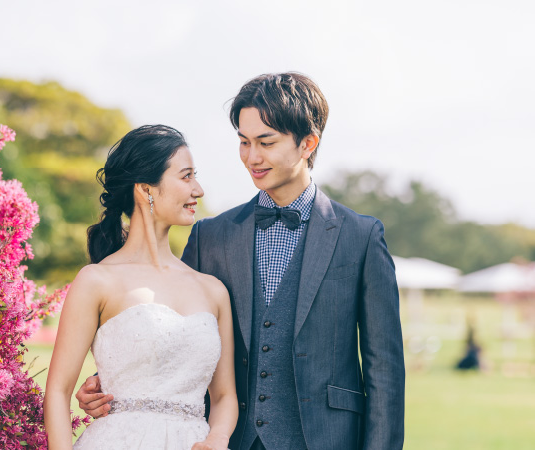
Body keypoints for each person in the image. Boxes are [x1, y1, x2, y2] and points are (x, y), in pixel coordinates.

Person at [76, 73, 406, 449]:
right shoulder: (210, 236)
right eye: (244, 142)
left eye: (266, 142)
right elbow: (166, 331)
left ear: (307, 144)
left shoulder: (361, 237)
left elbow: (386, 371)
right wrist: (110, 385)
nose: (251, 157)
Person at [44, 125, 239, 449]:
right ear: (146, 189)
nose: (199, 189)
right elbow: (58, 392)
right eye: (186, 176)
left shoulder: (213, 290)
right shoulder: (96, 280)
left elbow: (224, 396)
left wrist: (217, 438)